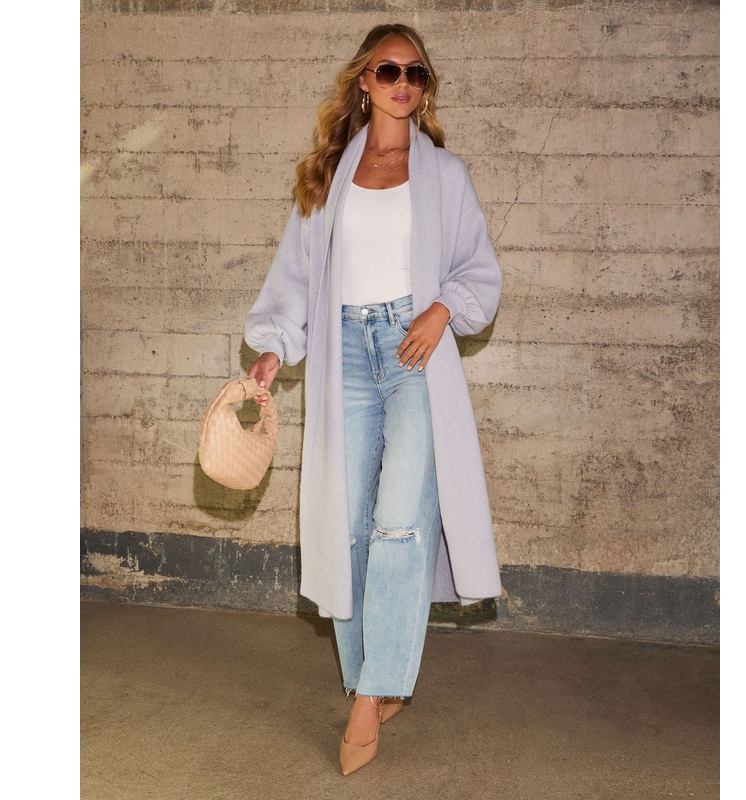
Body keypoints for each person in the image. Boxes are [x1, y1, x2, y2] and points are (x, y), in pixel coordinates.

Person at [244, 23, 502, 776]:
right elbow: (295, 277)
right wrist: (273, 347)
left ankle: (370, 693)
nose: (403, 84)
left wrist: (441, 308)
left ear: (424, 87)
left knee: (399, 523)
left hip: (413, 353)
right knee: (350, 524)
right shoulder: (328, 174)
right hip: (345, 355)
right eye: (389, 70)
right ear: (364, 79)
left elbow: (479, 272)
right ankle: (374, 674)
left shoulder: (445, 175)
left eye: (416, 73)